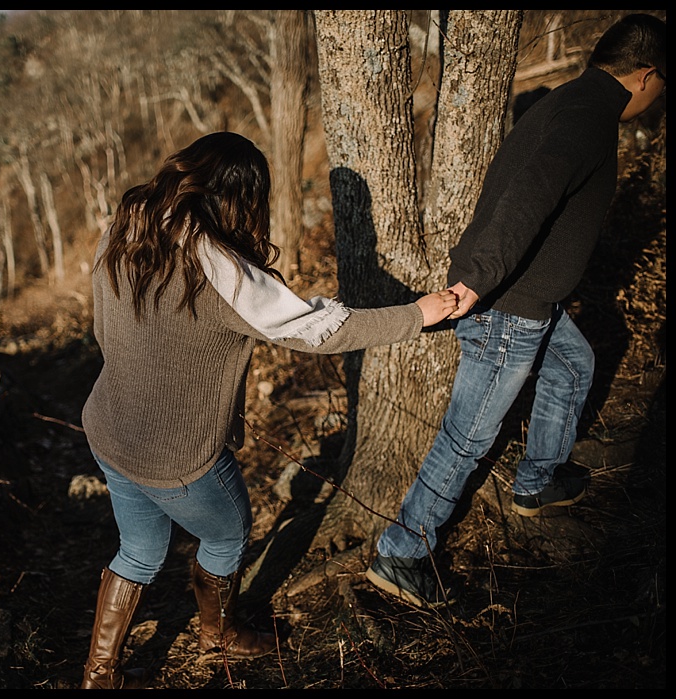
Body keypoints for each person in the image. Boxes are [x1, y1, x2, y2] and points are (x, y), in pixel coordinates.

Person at [78, 131, 460, 688]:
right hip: (179, 455)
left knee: (138, 551)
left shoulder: (125, 227)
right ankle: (220, 632)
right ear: (239, 198)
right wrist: (416, 315)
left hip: (110, 428)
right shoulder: (221, 269)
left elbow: (100, 325)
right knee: (229, 534)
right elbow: (320, 329)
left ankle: (99, 676)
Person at [366, 13, 666, 610]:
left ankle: (537, 481)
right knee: (469, 437)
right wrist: (477, 282)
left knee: (573, 365)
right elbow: (527, 196)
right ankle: (401, 551)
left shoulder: (570, 102)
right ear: (646, 76)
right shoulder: (584, 119)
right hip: (507, 304)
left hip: (525, 295)